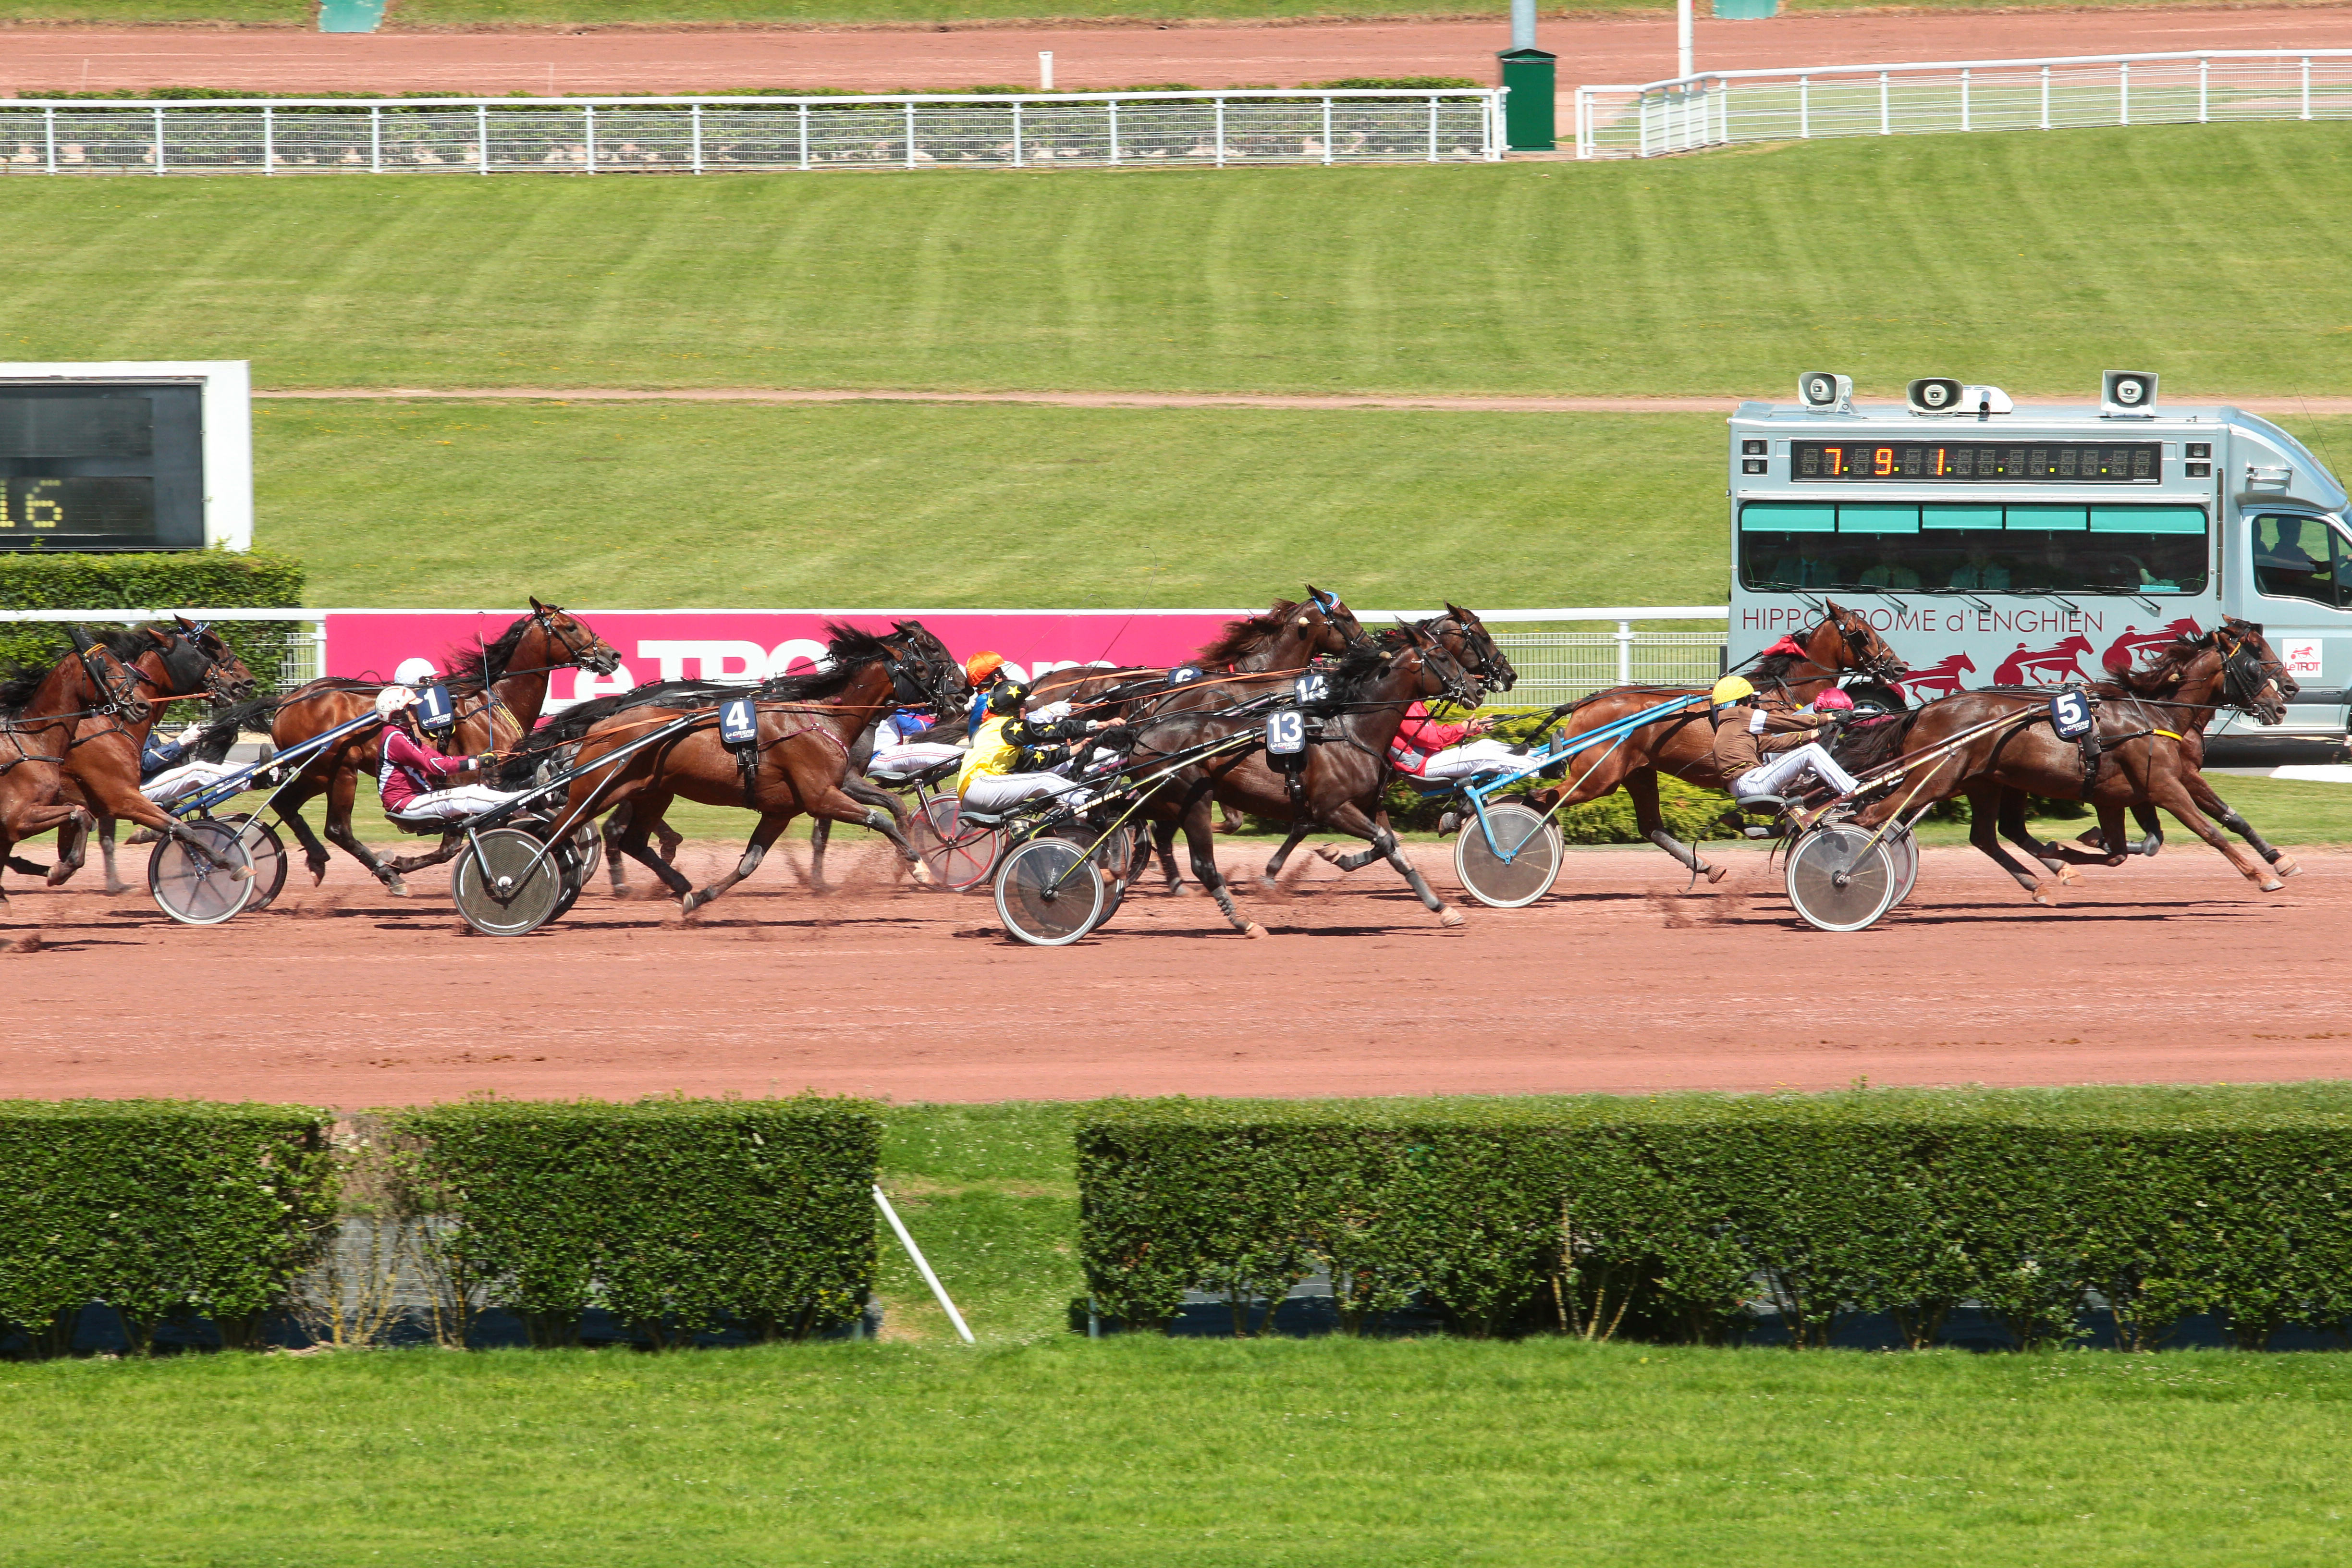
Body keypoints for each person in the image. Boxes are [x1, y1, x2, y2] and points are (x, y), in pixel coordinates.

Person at [1709, 675, 1860, 817]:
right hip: (1750, 782)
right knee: (1811, 751)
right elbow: (1785, 723)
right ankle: (1855, 792)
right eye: (1750, 700)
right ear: (1740, 702)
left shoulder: (1729, 727)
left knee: (1807, 756)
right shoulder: (1740, 714)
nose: (1751, 705)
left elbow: (1777, 743)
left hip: (1741, 786)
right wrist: (1829, 717)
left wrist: (1818, 732)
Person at [374, 686, 522, 824]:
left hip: (415, 799)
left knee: (480, 790)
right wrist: (477, 763)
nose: (416, 710)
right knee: (467, 796)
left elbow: (438, 759)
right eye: (411, 708)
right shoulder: (396, 739)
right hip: (405, 804)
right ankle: (525, 802)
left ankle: (525, 801)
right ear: (398, 714)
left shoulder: (404, 733)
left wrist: (476, 759)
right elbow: (436, 767)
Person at [955, 683, 1107, 816]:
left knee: (1055, 799)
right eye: (1023, 704)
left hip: (977, 793)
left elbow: (1038, 760)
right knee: (1046, 780)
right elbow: (1046, 731)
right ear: (1012, 708)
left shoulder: (998, 730)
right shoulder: (1005, 726)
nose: (1027, 708)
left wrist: (1074, 750)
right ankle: (1095, 799)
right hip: (980, 789)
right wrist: (1094, 726)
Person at [1388, 701, 1522, 783]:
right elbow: (1424, 737)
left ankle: (1539, 757)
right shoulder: (1403, 706)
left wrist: (1473, 729)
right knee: (1486, 756)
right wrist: (1462, 729)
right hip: (1422, 766)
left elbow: (1437, 740)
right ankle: (1539, 769)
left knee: (1487, 745)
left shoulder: (1417, 705)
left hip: (1433, 759)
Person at [139, 720, 242, 805]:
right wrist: (181, 742)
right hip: (137, 790)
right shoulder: (132, 721)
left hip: (149, 781)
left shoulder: (146, 718)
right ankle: (249, 781)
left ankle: (250, 771)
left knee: (212, 766)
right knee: (198, 770)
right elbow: (146, 763)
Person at [868, 706, 964, 779]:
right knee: (932, 751)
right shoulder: (877, 704)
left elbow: (909, 717)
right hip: (879, 756)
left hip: (888, 752)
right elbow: (911, 714)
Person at [1947, 540, 2011, 591]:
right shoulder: (1959, 575)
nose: (1979, 556)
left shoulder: (2002, 573)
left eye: (1983, 552)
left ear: (1990, 554)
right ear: (1968, 555)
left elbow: (2003, 598)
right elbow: (1954, 596)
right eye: (1974, 552)